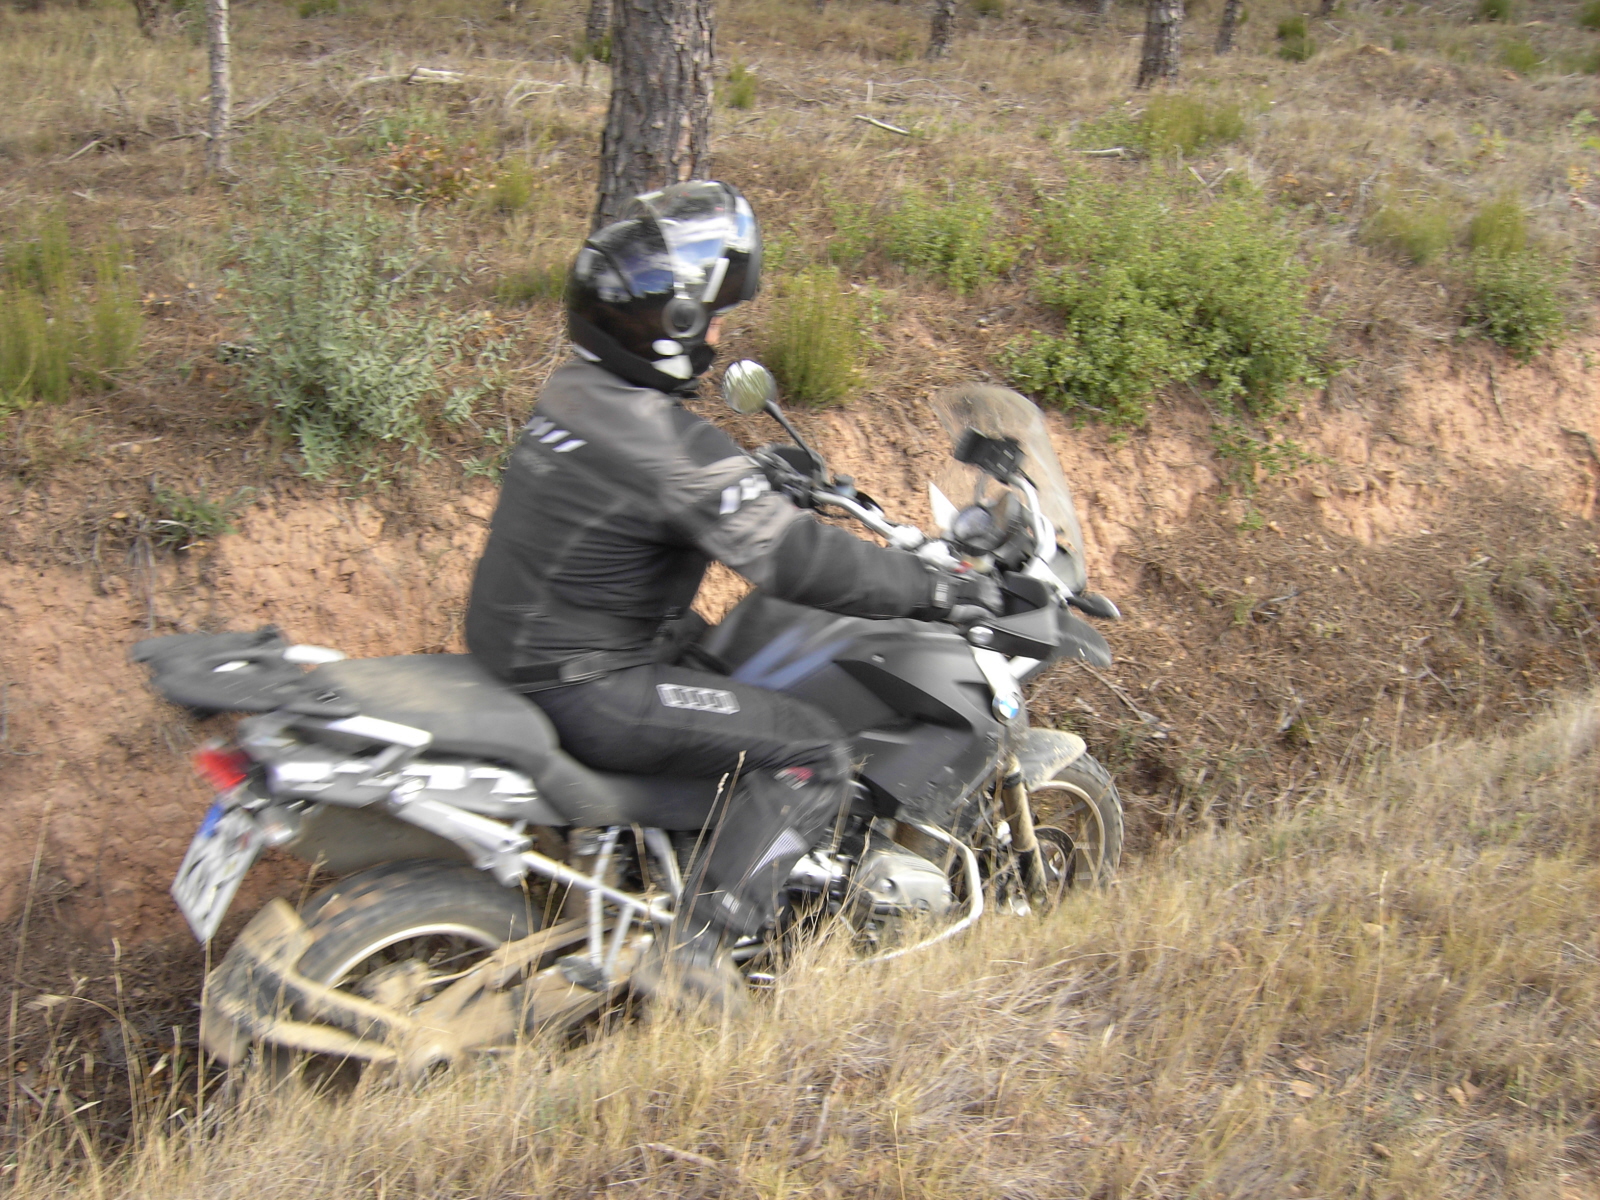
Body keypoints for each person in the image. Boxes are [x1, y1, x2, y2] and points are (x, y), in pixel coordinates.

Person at [465, 180, 997, 1010]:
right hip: (589, 681)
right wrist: (931, 586)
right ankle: (697, 951)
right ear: (671, 324)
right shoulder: (666, 443)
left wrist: (748, 475)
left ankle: (677, 860)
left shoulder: (578, 392)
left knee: (730, 664)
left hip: (537, 644)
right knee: (813, 753)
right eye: (712, 317)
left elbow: (646, 490)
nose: (718, 333)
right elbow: (798, 563)